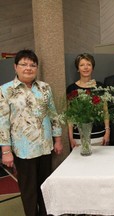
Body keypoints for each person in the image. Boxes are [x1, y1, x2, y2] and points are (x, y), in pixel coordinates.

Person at [0, 49, 63, 216]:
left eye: (32, 65)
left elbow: (53, 114)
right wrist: (6, 151)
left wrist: (57, 139)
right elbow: (3, 122)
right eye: (24, 64)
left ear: (36, 68)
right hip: (23, 150)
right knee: (29, 190)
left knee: (44, 187)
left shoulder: (44, 88)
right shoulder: (6, 90)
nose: (28, 68)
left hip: (45, 147)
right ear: (15, 67)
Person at [66, 53, 110, 148]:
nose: (85, 67)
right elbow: (70, 115)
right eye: (82, 65)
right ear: (78, 68)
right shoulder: (71, 89)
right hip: (79, 136)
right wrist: (70, 136)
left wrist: (107, 131)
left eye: (88, 64)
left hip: (99, 135)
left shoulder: (100, 87)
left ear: (92, 67)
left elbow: (105, 110)